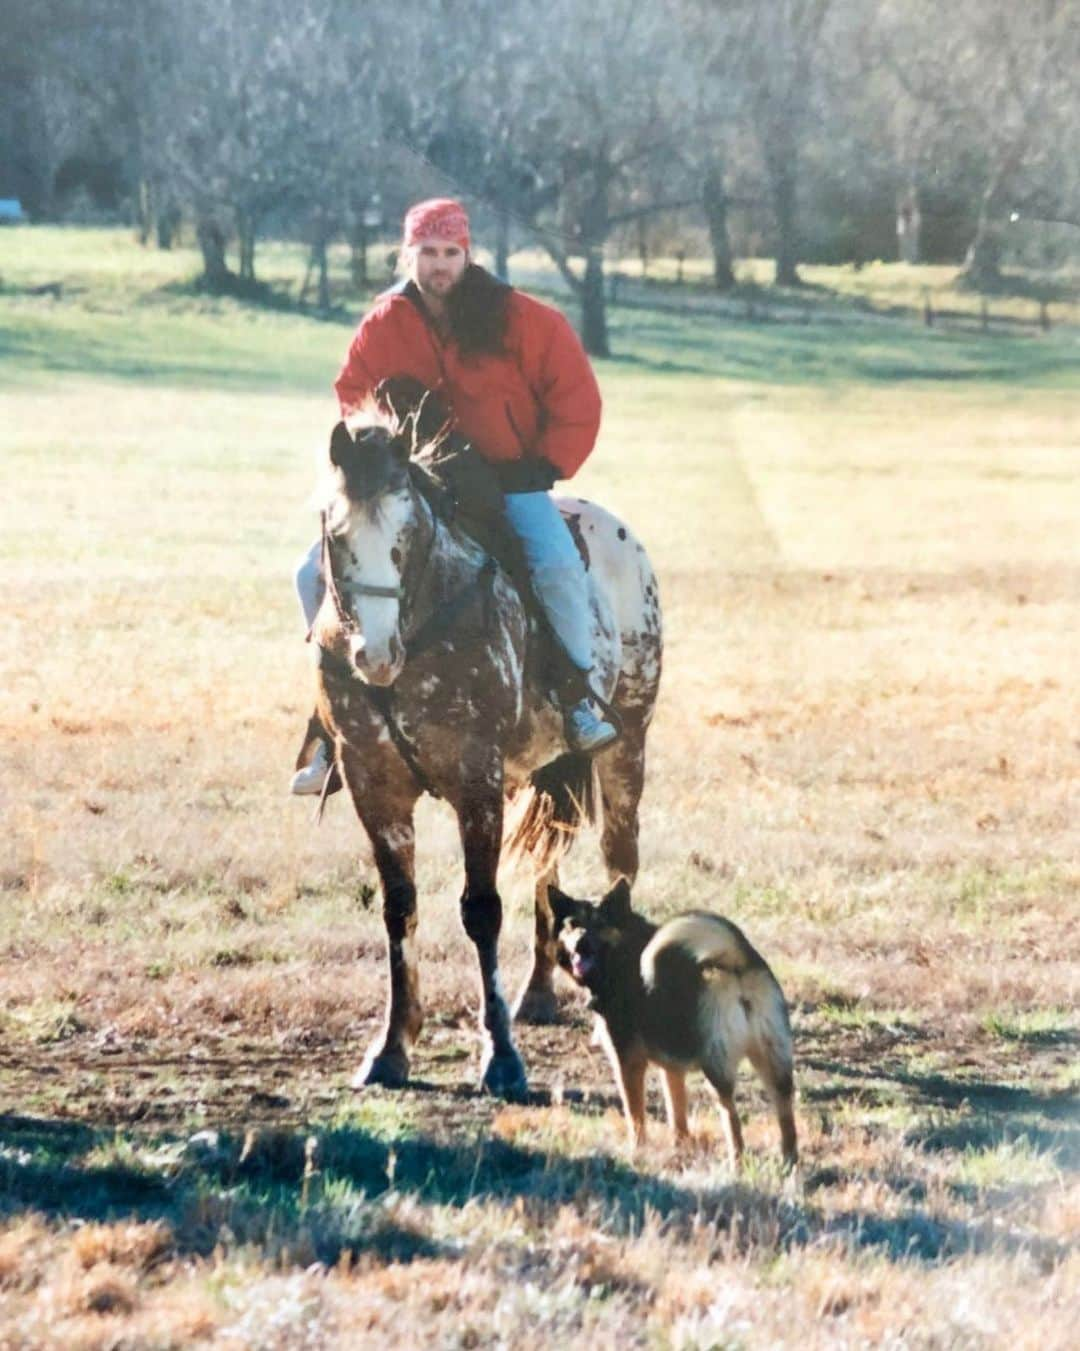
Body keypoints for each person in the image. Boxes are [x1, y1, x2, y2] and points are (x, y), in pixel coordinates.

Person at [291, 197, 616, 795]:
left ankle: (577, 700)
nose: (439, 266)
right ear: (407, 253)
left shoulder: (520, 318)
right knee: (309, 573)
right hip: (415, 483)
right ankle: (333, 723)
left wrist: (544, 464)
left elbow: (576, 395)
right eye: (427, 253)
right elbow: (352, 395)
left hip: (510, 480)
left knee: (557, 567)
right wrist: (376, 457)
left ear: (467, 255)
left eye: (450, 253)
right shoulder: (385, 323)